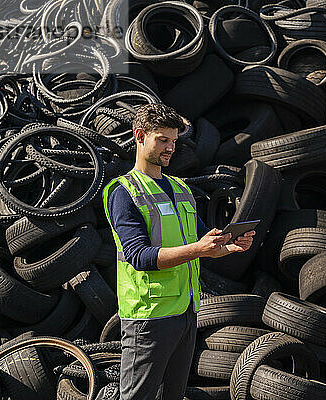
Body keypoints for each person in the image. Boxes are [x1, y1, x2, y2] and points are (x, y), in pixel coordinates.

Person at [102, 103, 255, 400]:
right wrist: (199, 248)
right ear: (139, 136)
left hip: (186, 312)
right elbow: (140, 257)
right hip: (149, 317)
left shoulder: (180, 188)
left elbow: (201, 243)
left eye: (173, 141)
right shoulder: (125, 192)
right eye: (162, 139)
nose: (170, 147)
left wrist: (230, 246)